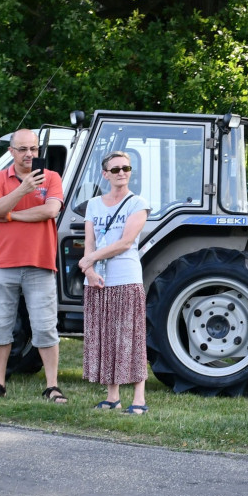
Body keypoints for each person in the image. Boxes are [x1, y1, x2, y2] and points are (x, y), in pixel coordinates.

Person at [0, 129, 67, 404]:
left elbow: (50, 211)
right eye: (23, 149)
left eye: (34, 149)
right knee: (0, 327)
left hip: (40, 263)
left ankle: (52, 386)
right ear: (11, 151)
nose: (29, 154)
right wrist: (23, 189)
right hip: (3, 263)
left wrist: (11, 215)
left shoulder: (51, 177)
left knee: (45, 327)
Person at [78, 151, 152, 414]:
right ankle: (112, 397)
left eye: (126, 168)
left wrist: (89, 260)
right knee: (107, 338)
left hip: (126, 278)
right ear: (105, 174)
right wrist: (89, 272)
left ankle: (139, 399)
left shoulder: (138, 203)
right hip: (97, 280)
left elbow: (125, 242)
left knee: (131, 338)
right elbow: (89, 242)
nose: (122, 173)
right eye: (116, 169)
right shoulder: (93, 204)